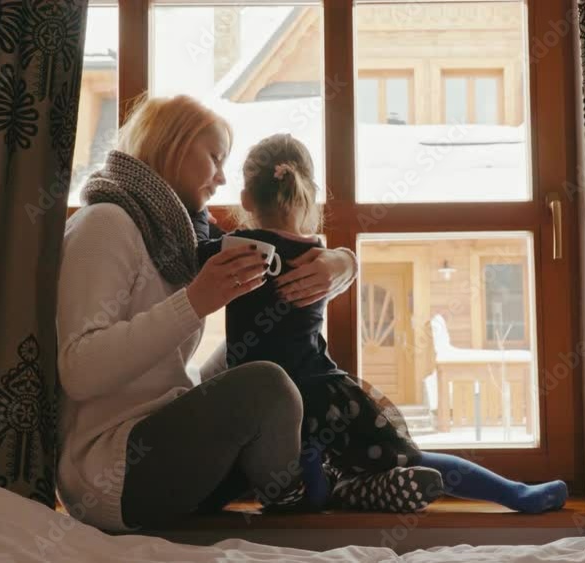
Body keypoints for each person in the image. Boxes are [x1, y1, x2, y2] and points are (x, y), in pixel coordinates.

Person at [198, 133, 569, 515]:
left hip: (273, 405)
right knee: (412, 457)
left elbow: (192, 255)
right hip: (327, 397)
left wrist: (202, 223)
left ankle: (323, 479)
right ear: (306, 194)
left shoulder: (236, 249)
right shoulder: (315, 253)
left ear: (245, 199)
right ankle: (514, 493)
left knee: (293, 486)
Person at [55, 95, 359, 532]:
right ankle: (308, 492)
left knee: (283, 364)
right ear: (172, 144)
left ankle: (326, 480)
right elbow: (79, 369)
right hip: (113, 471)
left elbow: (173, 370)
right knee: (266, 383)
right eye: (215, 157)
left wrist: (342, 263)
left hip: (168, 454)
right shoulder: (104, 223)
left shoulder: (178, 239)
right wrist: (196, 302)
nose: (220, 178)